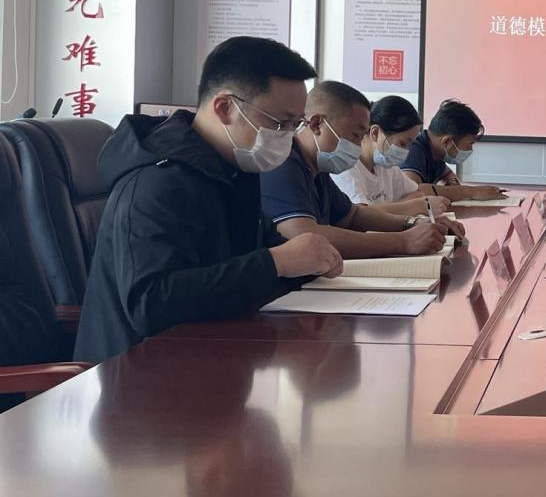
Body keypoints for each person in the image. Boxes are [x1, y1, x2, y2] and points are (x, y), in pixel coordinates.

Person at [74, 36, 344, 364]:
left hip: (212, 356)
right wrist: (279, 262)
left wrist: (310, 260)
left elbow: (258, 254)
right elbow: (152, 303)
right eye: (279, 123)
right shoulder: (156, 180)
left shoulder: (232, 169)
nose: (287, 136)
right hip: (137, 375)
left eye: (295, 124)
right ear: (225, 107)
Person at [260, 80, 461, 258]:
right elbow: (304, 235)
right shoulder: (283, 161)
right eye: (356, 135)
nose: (358, 147)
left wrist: (413, 223)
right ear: (316, 124)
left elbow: (353, 216)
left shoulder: (317, 170)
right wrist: (404, 241)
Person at [332, 95, 450, 217]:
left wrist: (389, 208)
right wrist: (416, 206)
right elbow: (360, 215)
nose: (406, 151)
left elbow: (418, 194)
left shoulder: (386, 166)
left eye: (409, 145)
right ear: (375, 133)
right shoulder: (346, 168)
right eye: (402, 143)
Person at [401, 99, 503, 202]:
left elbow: (448, 174)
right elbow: (414, 192)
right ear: (446, 141)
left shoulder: (436, 153)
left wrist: (452, 183)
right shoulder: (413, 150)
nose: (470, 150)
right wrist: (471, 191)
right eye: (470, 144)